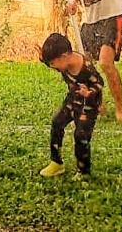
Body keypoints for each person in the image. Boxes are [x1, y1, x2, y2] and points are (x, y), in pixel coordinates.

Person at [38, 32, 105, 177]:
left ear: (63, 57)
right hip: (73, 99)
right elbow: (52, 63)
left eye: (53, 63)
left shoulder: (86, 68)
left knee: (81, 135)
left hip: (88, 105)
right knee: (57, 122)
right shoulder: (63, 62)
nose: (53, 67)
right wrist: (42, 57)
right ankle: (56, 163)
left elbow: (99, 83)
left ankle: (83, 171)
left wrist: (89, 93)